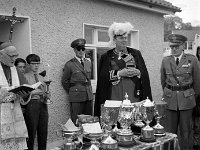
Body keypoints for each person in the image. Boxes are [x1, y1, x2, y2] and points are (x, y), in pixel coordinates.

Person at [94, 22, 152, 117]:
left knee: (134, 122)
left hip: (133, 96)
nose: (124, 40)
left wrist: (138, 72)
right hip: (114, 96)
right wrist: (119, 73)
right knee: (114, 123)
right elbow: (102, 78)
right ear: (114, 39)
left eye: (125, 38)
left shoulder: (136, 54)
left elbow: (144, 74)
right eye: (121, 38)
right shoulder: (106, 56)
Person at [160, 34, 200, 150]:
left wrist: (191, 96)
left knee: (186, 131)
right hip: (170, 99)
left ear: (183, 46)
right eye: (171, 47)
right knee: (169, 132)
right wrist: (170, 93)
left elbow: (197, 82)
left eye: (176, 46)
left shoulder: (192, 59)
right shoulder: (165, 60)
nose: (173, 49)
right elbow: (163, 82)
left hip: (187, 100)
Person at [0, 42, 28, 150]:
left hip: (15, 110)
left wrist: (27, 91)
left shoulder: (14, 69)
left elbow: (25, 85)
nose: (14, 59)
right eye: (11, 56)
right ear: (1, 55)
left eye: (16, 56)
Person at [61, 38, 93, 124]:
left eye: (83, 49)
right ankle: (77, 137)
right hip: (76, 96)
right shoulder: (69, 64)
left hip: (88, 95)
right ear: (74, 50)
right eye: (78, 49)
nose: (81, 51)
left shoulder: (88, 62)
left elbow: (88, 79)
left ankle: (87, 137)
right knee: (77, 119)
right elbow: (65, 81)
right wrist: (74, 90)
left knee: (89, 120)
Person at [24, 54, 50, 150]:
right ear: (28, 64)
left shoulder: (41, 77)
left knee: (43, 131)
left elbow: (46, 91)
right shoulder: (24, 76)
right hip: (32, 104)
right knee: (31, 131)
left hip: (43, 104)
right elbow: (22, 93)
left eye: (38, 64)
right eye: (33, 64)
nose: (36, 66)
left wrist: (47, 94)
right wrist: (32, 92)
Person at [193, 46, 200, 150]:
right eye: (199, 52)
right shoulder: (195, 64)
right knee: (196, 121)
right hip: (197, 96)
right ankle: (196, 142)